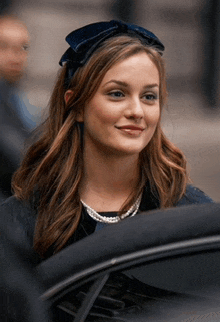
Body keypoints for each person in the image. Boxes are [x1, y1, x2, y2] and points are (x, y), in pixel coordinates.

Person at [0, 20, 213, 263]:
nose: (137, 111)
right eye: (117, 94)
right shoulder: (21, 222)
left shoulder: (192, 214)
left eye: (149, 96)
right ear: (76, 104)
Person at [0, 15, 38, 200]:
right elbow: (20, 158)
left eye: (23, 48)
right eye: (3, 46)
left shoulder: (15, 96)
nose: (16, 55)